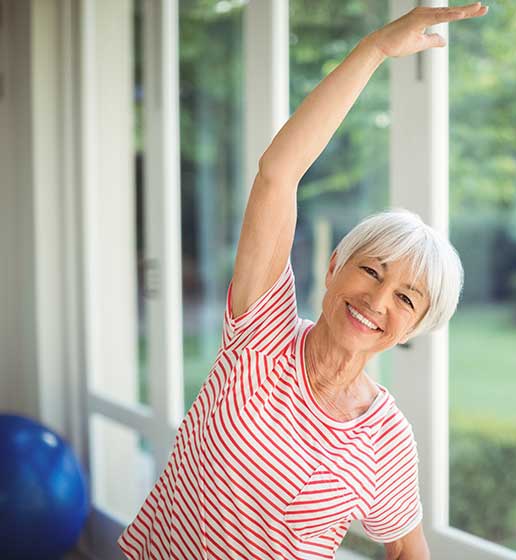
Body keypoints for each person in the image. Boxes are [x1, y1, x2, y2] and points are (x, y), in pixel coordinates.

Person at [117, 3, 488, 559]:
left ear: (416, 326)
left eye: (406, 299)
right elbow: (278, 174)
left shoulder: (386, 438)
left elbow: (409, 549)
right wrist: (375, 50)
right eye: (370, 270)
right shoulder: (261, 334)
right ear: (335, 265)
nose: (377, 300)